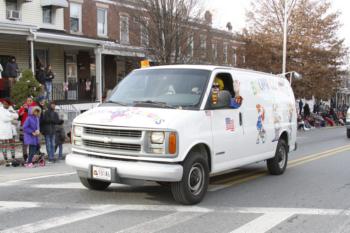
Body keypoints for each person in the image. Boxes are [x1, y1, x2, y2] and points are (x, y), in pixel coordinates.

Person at [0, 99, 18, 166]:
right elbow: (4, 119)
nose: (6, 105)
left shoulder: (10, 108)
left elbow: (17, 116)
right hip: (3, 130)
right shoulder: (1, 109)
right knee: (4, 145)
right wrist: (11, 117)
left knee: (12, 144)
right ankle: (6, 159)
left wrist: (11, 115)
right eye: (4, 104)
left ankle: (13, 157)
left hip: (11, 130)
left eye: (7, 104)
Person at [18, 96, 37, 161]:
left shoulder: (34, 107)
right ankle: (25, 156)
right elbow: (19, 117)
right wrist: (22, 112)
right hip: (24, 126)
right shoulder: (23, 107)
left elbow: (36, 114)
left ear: (32, 101)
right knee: (24, 143)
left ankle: (32, 156)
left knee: (33, 142)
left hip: (32, 127)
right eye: (27, 100)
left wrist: (28, 109)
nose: (28, 102)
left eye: (30, 100)